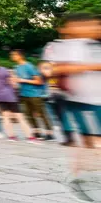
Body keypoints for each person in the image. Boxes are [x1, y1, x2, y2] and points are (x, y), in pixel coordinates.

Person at [42, 13, 101, 197]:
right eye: (92, 24)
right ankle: (79, 177)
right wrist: (88, 67)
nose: (96, 28)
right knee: (84, 140)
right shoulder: (57, 47)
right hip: (75, 100)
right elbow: (47, 69)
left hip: (95, 98)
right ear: (73, 27)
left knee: (91, 141)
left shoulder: (95, 46)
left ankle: (82, 175)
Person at [0, 53, 35, 143]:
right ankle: (30, 137)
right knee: (19, 116)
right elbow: (12, 83)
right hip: (9, 95)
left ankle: (11, 136)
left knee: (5, 116)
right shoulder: (3, 69)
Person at [11, 49, 53, 140]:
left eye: (14, 55)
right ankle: (36, 131)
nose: (12, 57)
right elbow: (18, 80)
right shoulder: (17, 67)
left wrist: (23, 80)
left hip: (35, 93)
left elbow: (39, 81)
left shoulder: (29, 66)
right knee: (28, 114)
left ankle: (49, 133)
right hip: (24, 93)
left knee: (41, 113)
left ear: (20, 56)